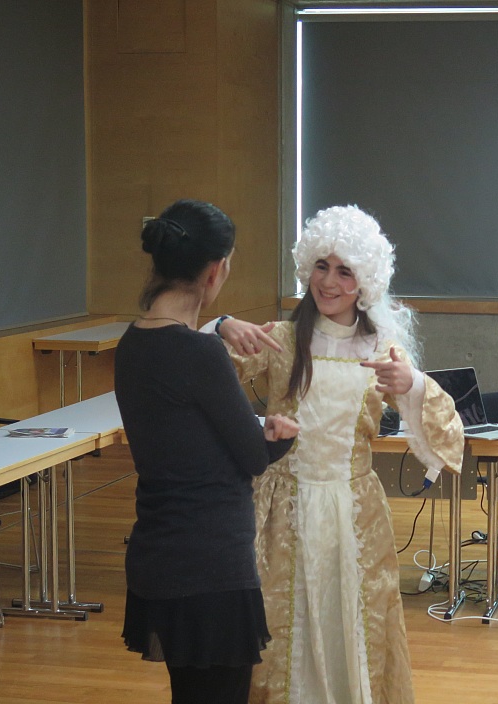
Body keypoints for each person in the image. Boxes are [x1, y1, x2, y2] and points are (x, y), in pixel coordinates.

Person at [206, 204, 464, 704]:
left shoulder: (382, 349)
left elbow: (445, 435)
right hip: (285, 506)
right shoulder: (282, 339)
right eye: (321, 266)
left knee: (352, 617)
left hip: (354, 513)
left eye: (345, 270)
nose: (329, 281)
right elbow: (200, 375)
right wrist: (218, 324)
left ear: (364, 280)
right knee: (288, 623)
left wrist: (412, 385)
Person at [114, 199, 299, 704]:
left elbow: (187, 431)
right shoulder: (200, 354)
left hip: (160, 554)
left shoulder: (131, 344)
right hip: (210, 564)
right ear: (217, 270)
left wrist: (219, 325)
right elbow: (252, 456)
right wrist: (283, 434)